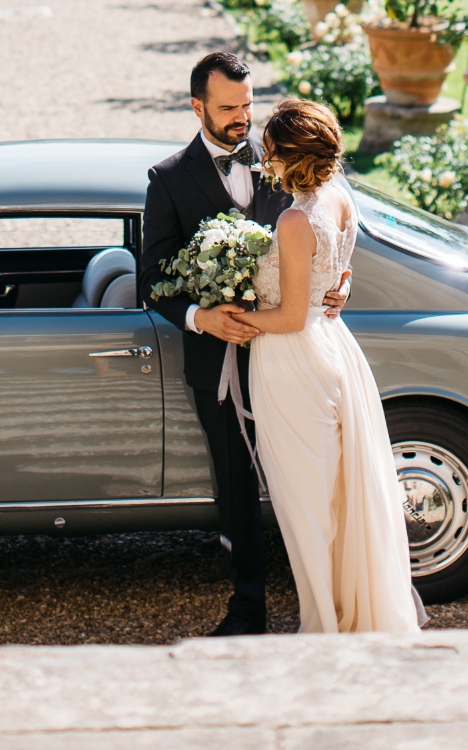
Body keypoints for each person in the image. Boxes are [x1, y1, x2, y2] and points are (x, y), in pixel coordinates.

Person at [139, 52, 349, 637]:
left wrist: (341, 280)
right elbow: (150, 277)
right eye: (229, 109)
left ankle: (324, 597)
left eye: (248, 105)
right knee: (236, 488)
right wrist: (202, 318)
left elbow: (331, 224)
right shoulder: (169, 179)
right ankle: (248, 608)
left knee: (311, 478)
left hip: (294, 360)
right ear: (197, 106)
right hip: (220, 364)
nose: (243, 119)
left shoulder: (282, 159)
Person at [230, 97, 422, 635]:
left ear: (290, 157)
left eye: (269, 152)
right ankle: (345, 610)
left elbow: (289, 317)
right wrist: (340, 286)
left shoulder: (295, 219)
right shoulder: (340, 198)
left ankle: (325, 625)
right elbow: (338, 273)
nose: (264, 161)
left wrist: (237, 314)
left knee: (306, 502)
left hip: (293, 362)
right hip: (334, 347)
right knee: (336, 491)